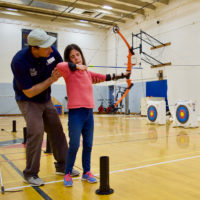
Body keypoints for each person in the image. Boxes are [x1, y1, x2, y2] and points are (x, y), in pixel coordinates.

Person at [11, 29, 79, 186]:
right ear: (34, 48)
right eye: (46, 47)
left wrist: (76, 69)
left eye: (50, 46)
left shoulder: (51, 50)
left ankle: (63, 166)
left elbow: (62, 67)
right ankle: (30, 173)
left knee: (57, 130)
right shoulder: (19, 61)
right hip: (27, 100)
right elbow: (29, 92)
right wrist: (51, 80)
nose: (51, 49)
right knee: (36, 131)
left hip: (45, 98)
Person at [56, 44, 130, 187]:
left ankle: (86, 172)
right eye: (72, 56)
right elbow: (60, 65)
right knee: (74, 145)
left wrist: (123, 74)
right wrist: (77, 66)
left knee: (88, 145)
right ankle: (67, 173)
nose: (76, 58)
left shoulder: (88, 74)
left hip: (89, 113)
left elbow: (105, 77)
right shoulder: (68, 72)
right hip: (76, 114)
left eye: (77, 54)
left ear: (81, 55)